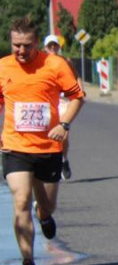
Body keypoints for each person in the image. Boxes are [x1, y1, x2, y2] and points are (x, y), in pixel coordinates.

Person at [0, 18, 85, 265]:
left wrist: (64, 124)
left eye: (26, 45)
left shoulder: (55, 65)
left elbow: (77, 96)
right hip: (15, 146)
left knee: (46, 205)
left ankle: (45, 215)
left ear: (37, 43)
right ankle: (28, 263)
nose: (21, 51)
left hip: (48, 147)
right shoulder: (3, 67)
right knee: (21, 199)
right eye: (16, 45)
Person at [43, 34, 74, 180]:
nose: (53, 48)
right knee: (47, 135)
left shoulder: (65, 62)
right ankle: (49, 163)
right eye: (50, 46)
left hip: (63, 101)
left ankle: (64, 160)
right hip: (48, 102)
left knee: (64, 134)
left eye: (55, 45)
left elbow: (77, 77)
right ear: (45, 48)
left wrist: (79, 89)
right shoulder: (42, 64)